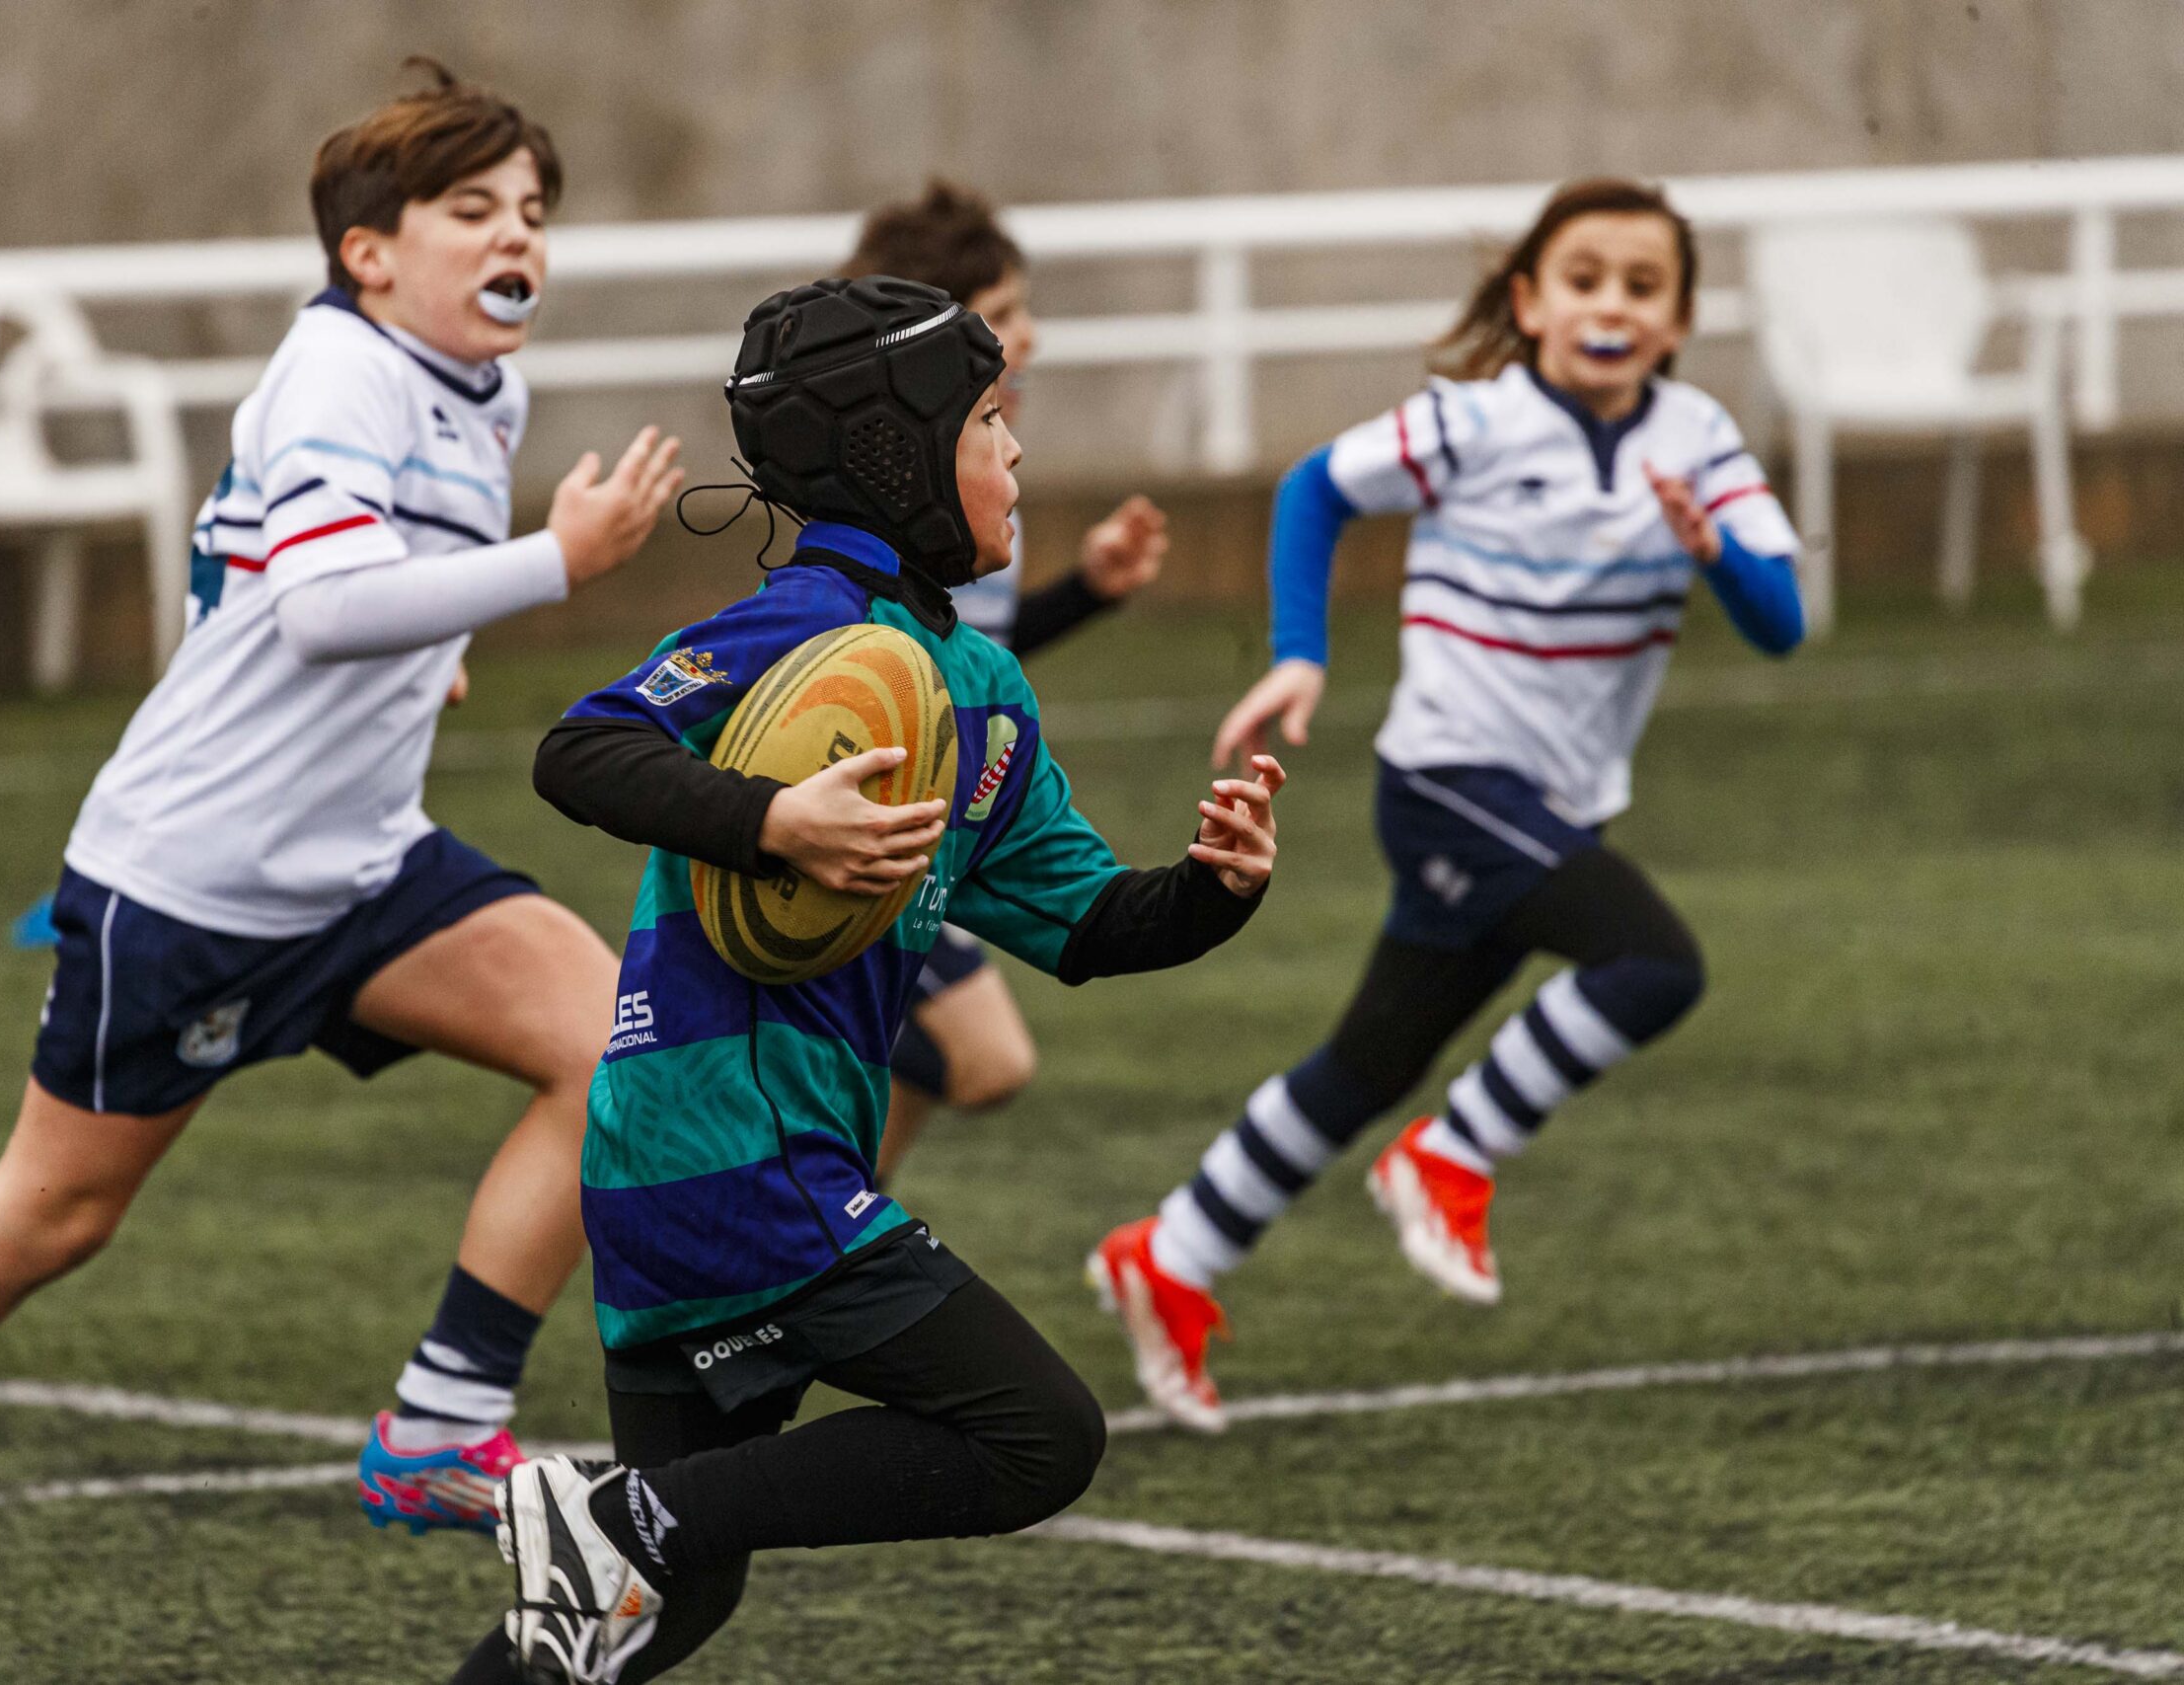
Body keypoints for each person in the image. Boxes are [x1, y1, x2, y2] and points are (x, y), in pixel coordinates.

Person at [0, 62, 683, 1683]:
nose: (518, 242)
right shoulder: (338, 372)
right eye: (474, 211)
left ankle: (442, 1421)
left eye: (535, 214)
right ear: (370, 251)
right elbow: (318, 606)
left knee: (624, 1040)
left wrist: (450, 634)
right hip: (199, 883)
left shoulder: (465, 383)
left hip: (364, 868)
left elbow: (317, 584)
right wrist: (555, 564)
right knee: (52, 1212)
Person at [459, 275, 1283, 1683]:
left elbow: (1082, 923)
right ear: (901, 456)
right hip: (732, 1144)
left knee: (677, 1592)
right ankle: (610, 1500)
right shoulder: (811, 630)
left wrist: (1211, 889)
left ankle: (619, 1522)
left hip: (683, 1162)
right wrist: (772, 820)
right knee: (1038, 1432)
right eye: (991, 419)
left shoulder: (979, 686)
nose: (1018, 452)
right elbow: (581, 748)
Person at [1089, 178, 1806, 1433]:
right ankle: (1453, 1156)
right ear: (1528, 302)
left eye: (1643, 288)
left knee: (1371, 1059)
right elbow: (1315, 486)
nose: (1611, 306)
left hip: (1555, 808)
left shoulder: (1698, 439)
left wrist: (1716, 552)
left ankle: (1176, 1252)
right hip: (1450, 782)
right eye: (1583, 279)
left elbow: (1781, 624)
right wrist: (1301, 649)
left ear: (1680, 319)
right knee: (1652, 964)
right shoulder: (1471, 422)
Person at [839, 183, 1171, 1180]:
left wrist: (1087, 592)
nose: (1030, 335)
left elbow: (970, 651)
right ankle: (812, 1214)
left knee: (967, 1066)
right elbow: (869, 659)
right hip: (882, 813)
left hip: (943, 811)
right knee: (982, 1059)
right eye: (1007, 311)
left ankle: (830, 1225)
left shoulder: (984, 441)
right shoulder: (906, 471)